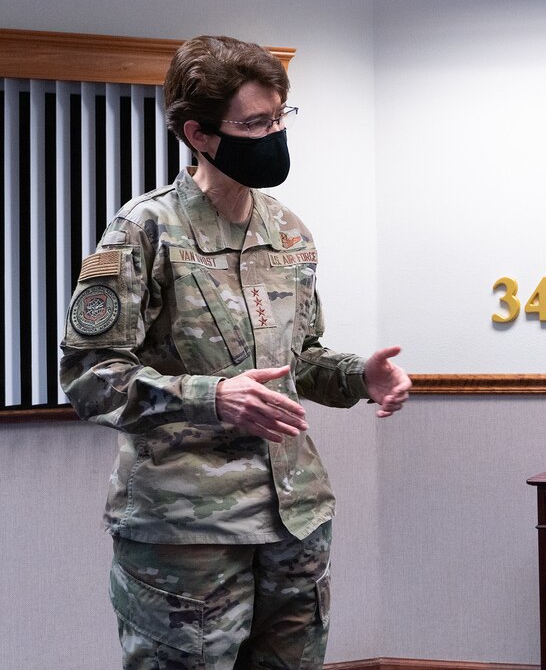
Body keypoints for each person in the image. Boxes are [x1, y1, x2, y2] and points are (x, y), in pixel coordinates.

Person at [60, 35, 411, 669]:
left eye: (280, 118)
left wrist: (358, 375)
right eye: (254, 123)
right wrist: (213, 399)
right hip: (186, 536)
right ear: (198, 133)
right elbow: (90, 377)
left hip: (294, 520)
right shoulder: (144, 230)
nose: (274, 134)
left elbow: (298, 358)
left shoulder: (288, 231)